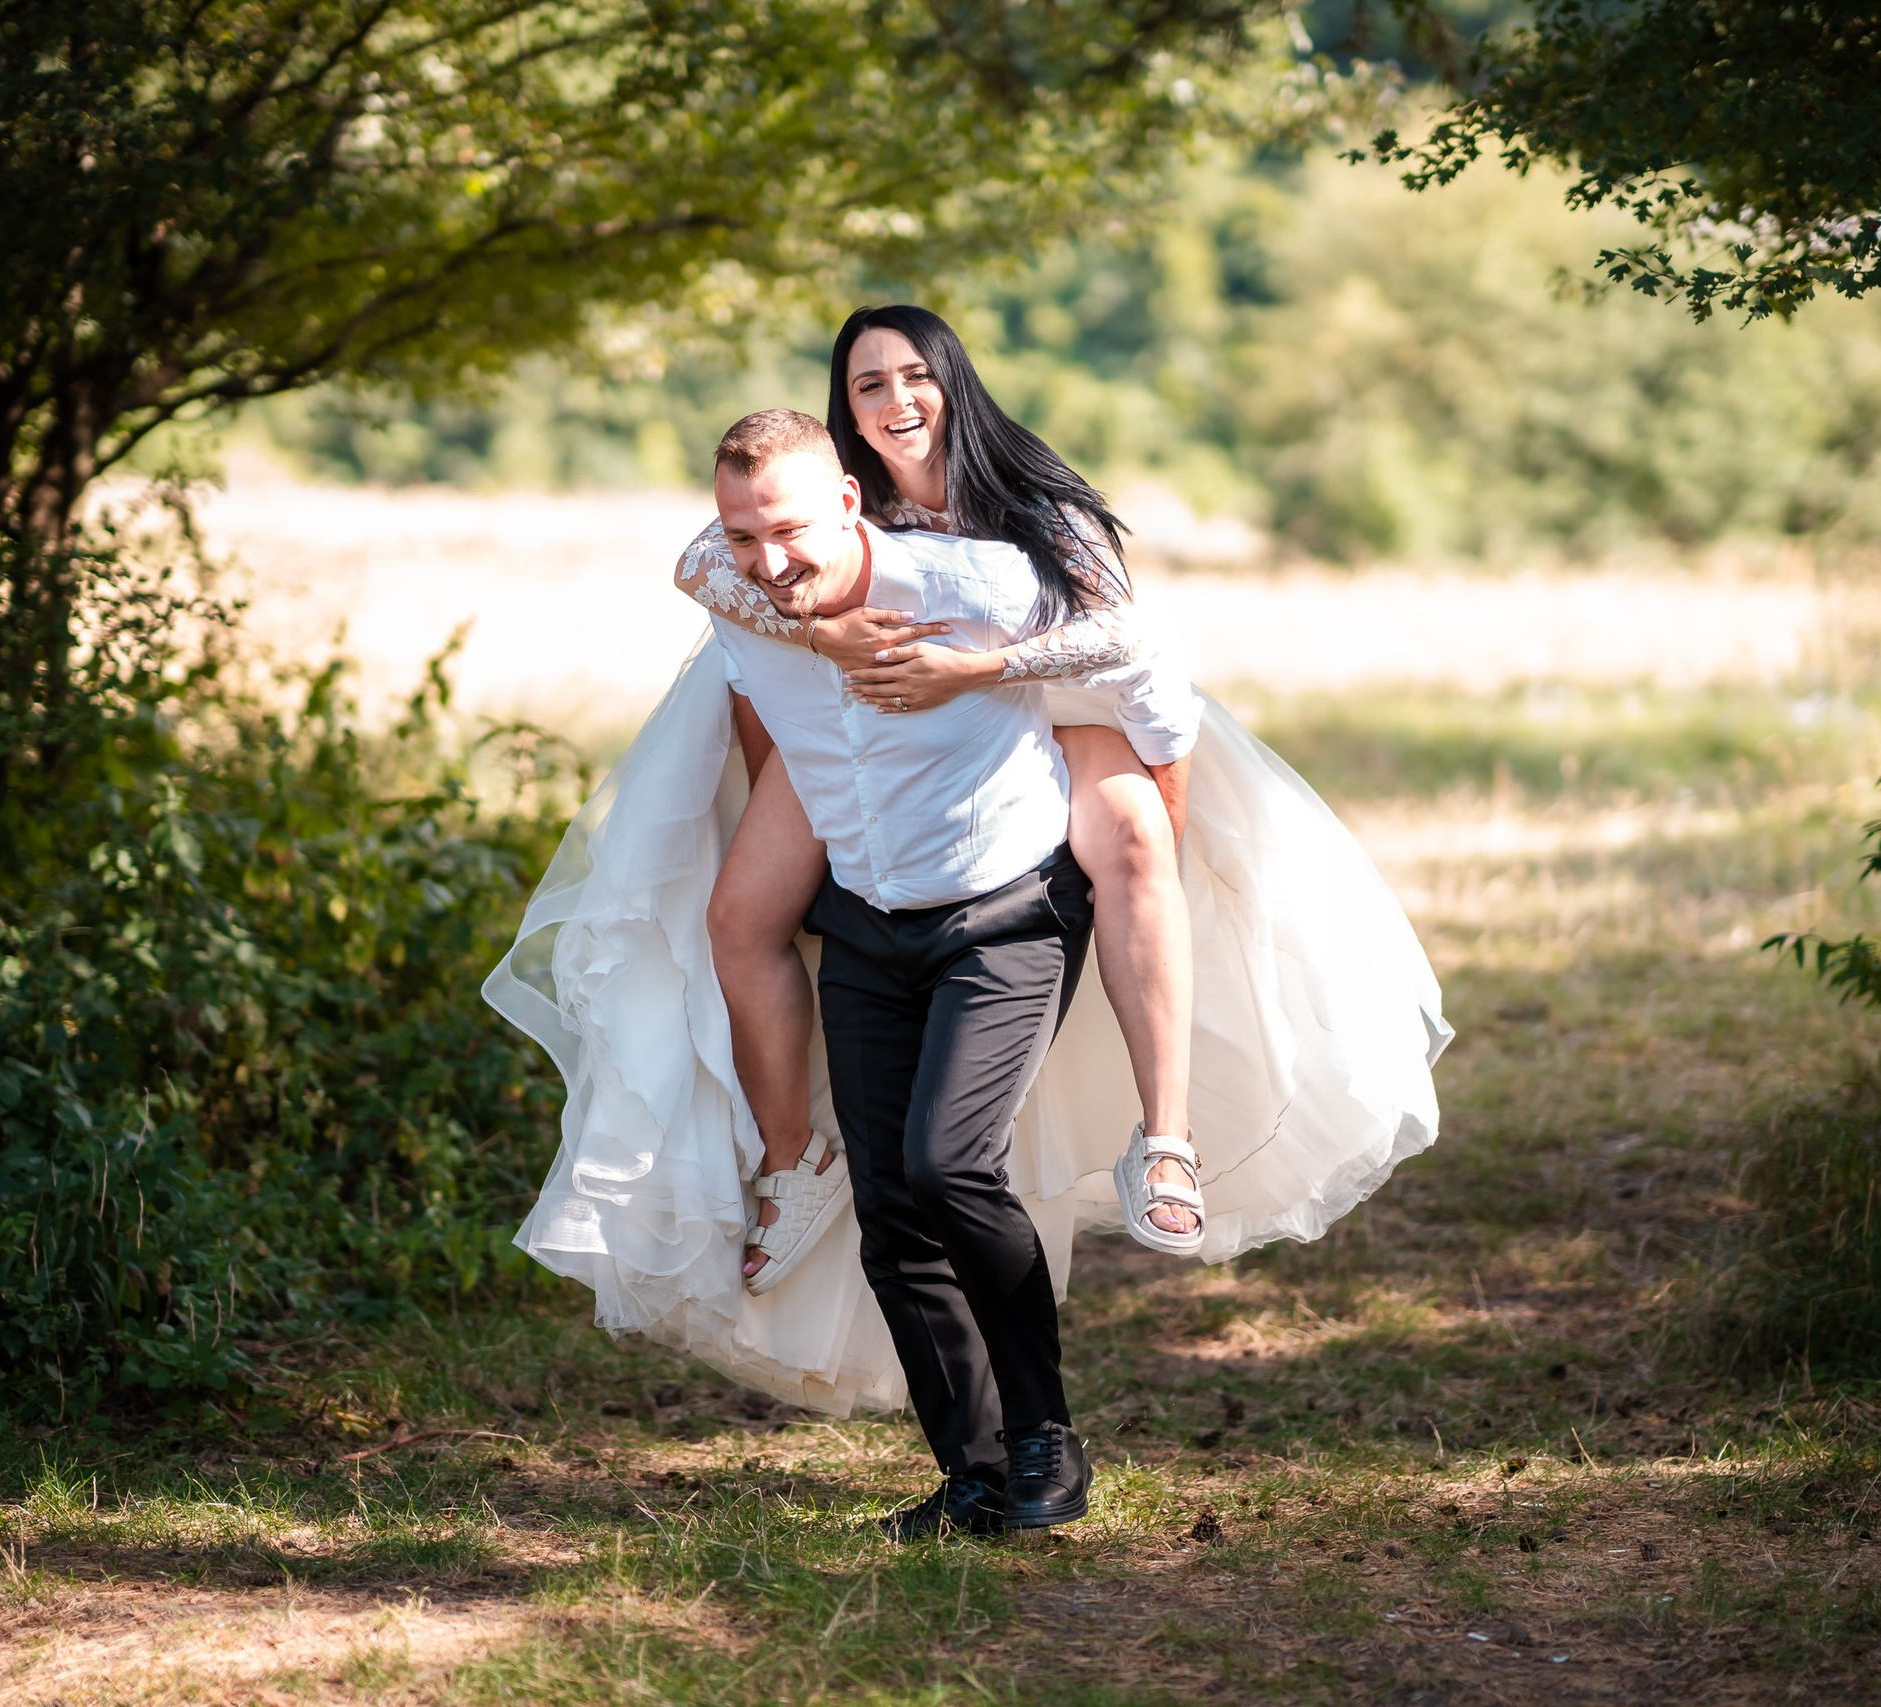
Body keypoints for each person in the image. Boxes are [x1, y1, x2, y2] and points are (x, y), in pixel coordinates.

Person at [483, 315, 1453, 1504]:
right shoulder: (746, 582)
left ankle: (1053, 1425)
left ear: (845, 498)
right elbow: (698, 567)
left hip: (1003, 907)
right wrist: (811, 626)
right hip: (867, 922)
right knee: (892, 1212)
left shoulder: (996, 569)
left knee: (949, 1168)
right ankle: (973, 1474)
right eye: (750, 536)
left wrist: (997, 685)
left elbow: (1144, 662)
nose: (767, 557)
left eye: (788, 532)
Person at [676, 305, 1208, 1294]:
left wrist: (984, 669)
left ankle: (1165, 1135)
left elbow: (1122, 635)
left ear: (953, 378)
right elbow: (703, 566)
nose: (893, 400)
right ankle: (796, 1160)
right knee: (739, 912)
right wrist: (817, 637)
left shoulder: (1031, 509)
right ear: (842, 410)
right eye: (865, 384)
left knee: (1133, 839)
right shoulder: (832, 506)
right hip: (883, 712)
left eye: (912, 374)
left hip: (1048, 696)